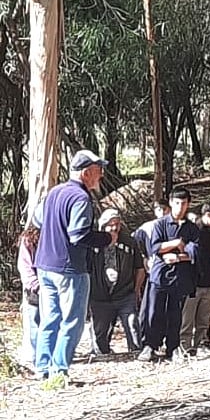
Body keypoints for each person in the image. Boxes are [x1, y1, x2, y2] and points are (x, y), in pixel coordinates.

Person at [33, 149, 112, 382]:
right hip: (70, 268)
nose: (101, 176)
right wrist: (106, 239)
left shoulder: (55, 192)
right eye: (98, 171)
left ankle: (42, 368)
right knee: (72, 321)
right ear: (86, 173)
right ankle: (59, 370)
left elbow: (37, 219)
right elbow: (78, 235)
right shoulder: (80, 198)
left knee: (50, 317)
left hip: (45, 265)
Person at [139, 188, 199, 362]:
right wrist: (176, 243)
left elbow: (195, 252)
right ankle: (150, 345)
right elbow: (155, 248)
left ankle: (173, 347)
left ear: (188, 204)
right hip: (160, 276)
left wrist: (177, 257)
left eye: (184, 203)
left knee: (175, 313)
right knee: (154, 312)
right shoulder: (160, 225)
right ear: (171, 203)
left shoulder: (192, 228)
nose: (180, 207)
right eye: (177, 203)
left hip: (180, 277)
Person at [89, 209, 144, 354]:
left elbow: (140, 268)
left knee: (132, 323)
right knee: (100, 331)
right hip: (100, 295)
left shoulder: (129, 243)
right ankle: (102, 353)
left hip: (124, 293)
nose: (114, 228)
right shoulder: (93, 244)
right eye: (110, 224)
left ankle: (136, 351)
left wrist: (136, 289)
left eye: (117, 224)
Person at [180, 202, 210, 355]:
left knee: (204, 318)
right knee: (187, 318)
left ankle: (202, 343)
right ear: (207, 215)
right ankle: (184, 346)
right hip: (192, 281)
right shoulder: (192, 229)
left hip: (209, 279)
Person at [133, 201, 170, 347]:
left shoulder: (174, 227)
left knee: (170, 310)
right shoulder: (147, 227)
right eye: (158, 209)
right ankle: (146, 343)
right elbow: (135, 243)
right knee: (149, 309)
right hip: (153, 275)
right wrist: (144, 259)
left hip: (173, 274)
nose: (161, 212)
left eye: (164, 209)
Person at [16, 225, 40, 366]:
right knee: (34, 326)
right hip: (34, 291)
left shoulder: (57, 233)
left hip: (54, 289)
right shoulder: (28, 240)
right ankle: (34, 358)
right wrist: (36, 286)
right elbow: (25, 267)